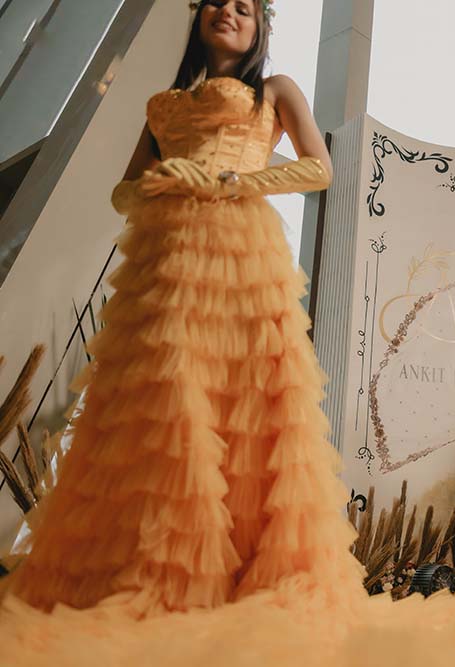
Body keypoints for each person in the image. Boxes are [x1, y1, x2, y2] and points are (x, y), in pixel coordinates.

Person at [2, 0, 361, 615]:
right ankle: (147, 566)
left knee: (244, 396)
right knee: (160, 398)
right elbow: (124, 192)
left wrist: (233, 182)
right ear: (197, 15)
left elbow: (318, 169)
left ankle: (234, 572)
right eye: (218, 1)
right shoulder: (164, 104)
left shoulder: (275, 89)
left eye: (245, 7)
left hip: (240, 254)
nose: (229, 12)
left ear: (261, 26)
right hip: (165, 257)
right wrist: (162, 180)